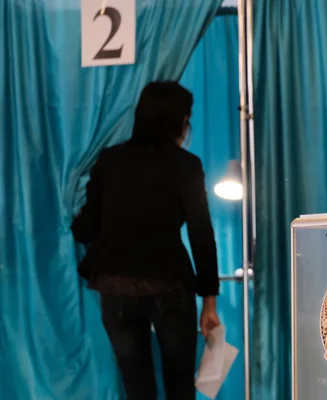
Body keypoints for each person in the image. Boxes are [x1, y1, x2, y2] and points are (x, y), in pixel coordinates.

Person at [71, 81, 221, 400]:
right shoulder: (185, 165)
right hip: (169, 286)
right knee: (180, 386)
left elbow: (84, 228)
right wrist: (209, 301)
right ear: (179, 121)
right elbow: (201, 234)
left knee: (137, 387)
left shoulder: (109, 161)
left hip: (115, 285)